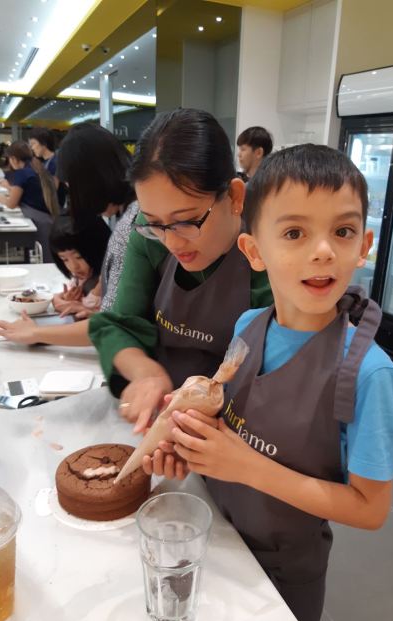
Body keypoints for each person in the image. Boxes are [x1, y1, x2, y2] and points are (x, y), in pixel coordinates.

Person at [155, 144, 393, 621]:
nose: (323, 250)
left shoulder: (371, 375)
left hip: (283, 571)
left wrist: (245, 466)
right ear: (254, 252)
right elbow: (234, 422)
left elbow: (370, 508)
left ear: (364, 246)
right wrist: (191, 439)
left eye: (343, 231)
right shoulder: (248, 326)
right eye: (294, 233)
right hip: (216, 534)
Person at [88, 108, 272, 434]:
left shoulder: (271, 255)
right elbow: (117, 325)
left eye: (187, 221)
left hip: (239, 432)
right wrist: (147, 374)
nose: (171, 242)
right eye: (155, 223)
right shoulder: (149, 235)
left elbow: (279, 380)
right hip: (160, 421)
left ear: (234, 196)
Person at [0, 125, 138, 344]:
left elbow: (121, 323)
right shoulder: (130, 213)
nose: (77, 199)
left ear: (94, 178)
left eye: (73, 187)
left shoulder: (136, 219)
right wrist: (92, 304)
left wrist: (36, 333)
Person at [0, 140, 60, 261]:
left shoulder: (21, 173)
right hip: (47, 219)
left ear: (14, 159)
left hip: (39, 222)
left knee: (46, 261)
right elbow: (27, 194)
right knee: (48, 259)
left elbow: (11, 204)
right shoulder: (37, 169)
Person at [49, 216, 111, 319]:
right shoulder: (83, 277)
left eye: (79, 257)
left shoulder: (110, 278)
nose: (73, 267)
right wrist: (68, 298)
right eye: (65, 259)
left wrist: (82, 307)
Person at [28, 127, 66, 207]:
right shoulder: (45, 162)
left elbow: (51, 191)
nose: (32, 148)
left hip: (51, 209)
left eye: (33, 144)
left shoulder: (54, 162)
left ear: (44, 143)